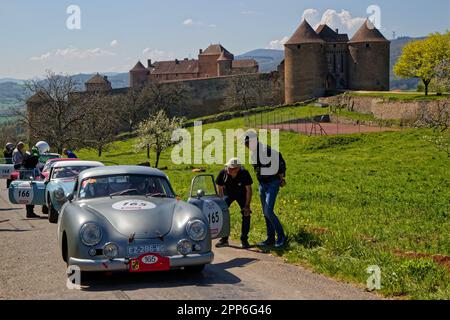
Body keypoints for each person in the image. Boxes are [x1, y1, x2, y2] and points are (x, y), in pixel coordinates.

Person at [245, 131, 287, 248]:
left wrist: (281, 177)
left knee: (268, 211)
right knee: (265, 213)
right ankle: (270, 238)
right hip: (262, 185)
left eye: (248, 143)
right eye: (246, 144)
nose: (247, 146)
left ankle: (281, 237)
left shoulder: (266, 150)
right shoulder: (254, 153)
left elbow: (280, 161)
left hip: (272, 183)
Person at [215, 157, 253, 249]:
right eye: (228, 167)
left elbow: (249, 190)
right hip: (228, 194)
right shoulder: (223, 173)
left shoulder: (244, 173)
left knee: (246, 214)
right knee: (222, 213)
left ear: (238, 169)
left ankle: (244, 240)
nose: (229, 169)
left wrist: (247, 206)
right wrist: (220, 203)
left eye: (232, 168)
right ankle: (224, 240)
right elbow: (219, 187)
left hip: (242, 195)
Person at [21, 149, 41, 219]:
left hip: (25, 175)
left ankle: (29, 211)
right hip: (30, 176)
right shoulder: (34, 155)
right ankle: (30, 212)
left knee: (28, 193)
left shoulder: (28, 152)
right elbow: (35, 165)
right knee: (31, 193)